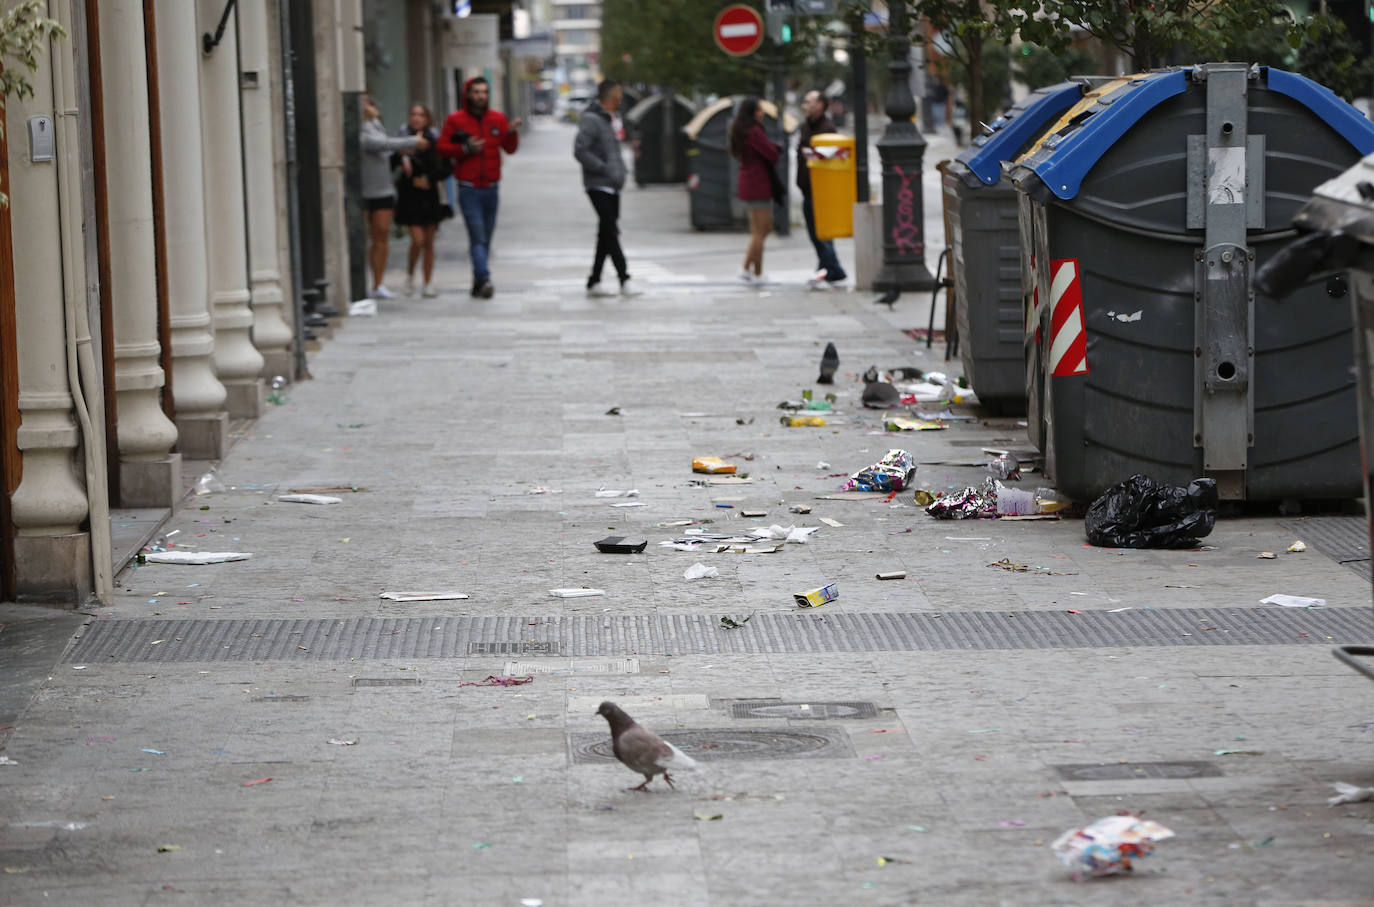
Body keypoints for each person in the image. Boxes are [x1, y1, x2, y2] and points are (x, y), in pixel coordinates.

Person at [437, 77, 522, 299]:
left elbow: (509, 149)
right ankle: (484, 278)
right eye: (476, 92)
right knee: (477, 236)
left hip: (492, 188)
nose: (480, 96)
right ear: (468, 94)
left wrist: (512, 132)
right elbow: (443, 147)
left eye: (484, 92)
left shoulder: (498, 119)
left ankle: (477, 282)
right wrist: (465, 148)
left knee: (486, 238)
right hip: (468, 188)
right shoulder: (456, 120)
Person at [573, 79, 640, 298]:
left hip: (612, 184)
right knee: (611, 230)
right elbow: (580, 150)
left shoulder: (610, 118)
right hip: (598, 184)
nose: (620, 101)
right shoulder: (592, 120)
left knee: (605, 233)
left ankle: (594, 281)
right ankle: (624, 278)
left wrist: (619, 172)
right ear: (609, 98)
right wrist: (603, 169)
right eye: (617, 97)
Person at [360, 95, 428, 298]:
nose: (368, 104)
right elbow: (377, 144)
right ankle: (359, 282)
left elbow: (384, 150)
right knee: (362, 239)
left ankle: (378, 283)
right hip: (363, 189)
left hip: (382, 188)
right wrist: (411, 141)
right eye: (363, 101)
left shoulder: (375, 124)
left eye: (369, 101)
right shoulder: (357, 126)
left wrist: (402, 154)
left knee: (381, 235)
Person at [393, 103, 450, 298]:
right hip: (409, 195)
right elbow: (391, 163)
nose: (417, 118)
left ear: (427, 119)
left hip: (430, 194)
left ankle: (428, 282)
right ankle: (410, 276)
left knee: (429, 242)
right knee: (417, 240)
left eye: (421, 115)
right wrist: (404, 154)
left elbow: (446, 167)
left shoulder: (434, 139)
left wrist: (430, 178)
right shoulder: (401, 139)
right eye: (413, 114)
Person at [796, 89, 847, 289]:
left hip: (822, 190)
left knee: (822, 234)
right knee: (815, 233)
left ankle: (834, 269)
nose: (805, 106)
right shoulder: (805, 126)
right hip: (807, 189)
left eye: (808, 102)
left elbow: (829, 158)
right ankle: (826, 267)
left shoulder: (827, 128)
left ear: (820, 105)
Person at [728, 96, 779, 285]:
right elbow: (771, 153)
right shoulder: (754, 132)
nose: (762, 113)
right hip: (758, 183)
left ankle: (746, 269)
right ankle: (756, 273)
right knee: (761, 230)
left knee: (762, 229)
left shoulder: (742, 130)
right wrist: (775, 148)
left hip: (752, 182)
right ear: (751, 113)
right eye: (759, 110)